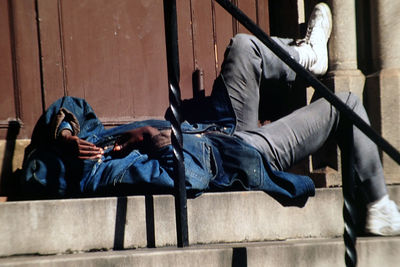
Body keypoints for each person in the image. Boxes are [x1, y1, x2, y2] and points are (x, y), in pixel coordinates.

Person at [20, 3, 400, 236]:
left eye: (65, 148)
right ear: (62, 180)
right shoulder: (109, 176)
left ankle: (306, 57)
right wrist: (158, 140)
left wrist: (68, 134)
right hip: (238, 154)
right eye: (60, 164)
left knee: (242, 46)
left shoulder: (93, 142)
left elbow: (69, 104)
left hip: (218, 125)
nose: (77, 148)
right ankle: (381, 205)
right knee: (344, 102)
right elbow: (196, 178)